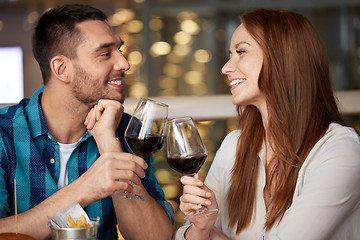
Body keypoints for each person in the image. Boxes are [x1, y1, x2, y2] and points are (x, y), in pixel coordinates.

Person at [174, 8, 360, 240]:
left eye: (241, 52)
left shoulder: (340, 150)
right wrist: (201, 227)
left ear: (283, 58)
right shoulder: (234, 145)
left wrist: (215, 236)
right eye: (230, 54)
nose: (226, 68)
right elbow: (184, 234)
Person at [0, 4, 174, 239]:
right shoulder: (4, 133)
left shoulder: (125, 130)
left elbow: (154, 237)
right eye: (105, 53)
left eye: (120, 50)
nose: (124, 63)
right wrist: (85, 188)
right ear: (61, 68)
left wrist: (108, 145)